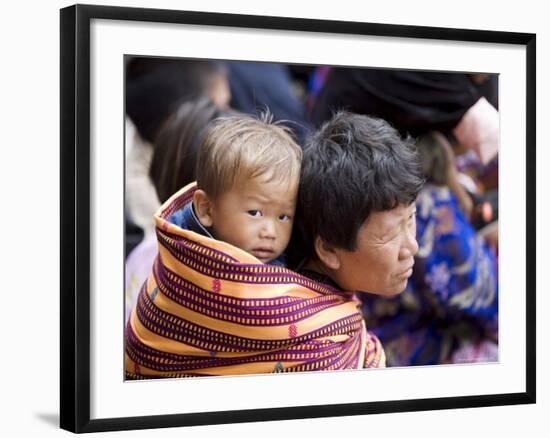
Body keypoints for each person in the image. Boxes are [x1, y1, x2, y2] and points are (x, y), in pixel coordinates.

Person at [124, 112, 388, 379]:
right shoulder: (181, 268)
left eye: (284, 216)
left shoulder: (293, 264)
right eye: (254, 213)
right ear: (205, 208)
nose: (270, 231)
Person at [360, 131, 499, 366]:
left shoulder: (371, 184)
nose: (410, 247)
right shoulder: (428, 202)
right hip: (410, 352)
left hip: (377, 340)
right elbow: (480, 297)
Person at [290, 111, 424, 300]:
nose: (412, 247)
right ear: (329, 249)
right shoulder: (319, 326)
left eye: (411, 217)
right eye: (390, 234)